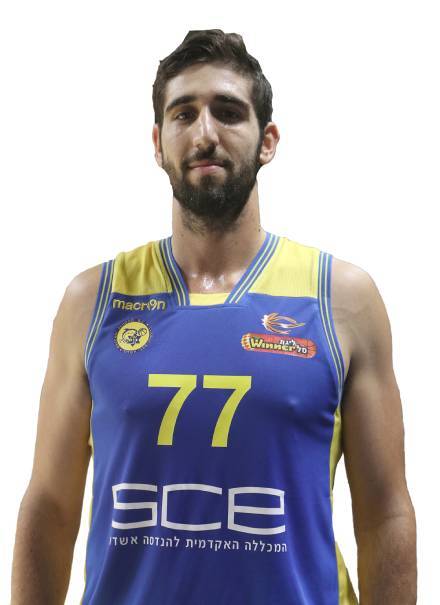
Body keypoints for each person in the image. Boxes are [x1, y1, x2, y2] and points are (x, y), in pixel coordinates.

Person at [11, 29, 417, 605]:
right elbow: (51, 508)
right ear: (158, 143)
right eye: (184, 114)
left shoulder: (341, 299)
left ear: (267, 141)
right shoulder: (92, 300)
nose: (205, 134)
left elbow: (384, 511)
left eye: (228, 112)